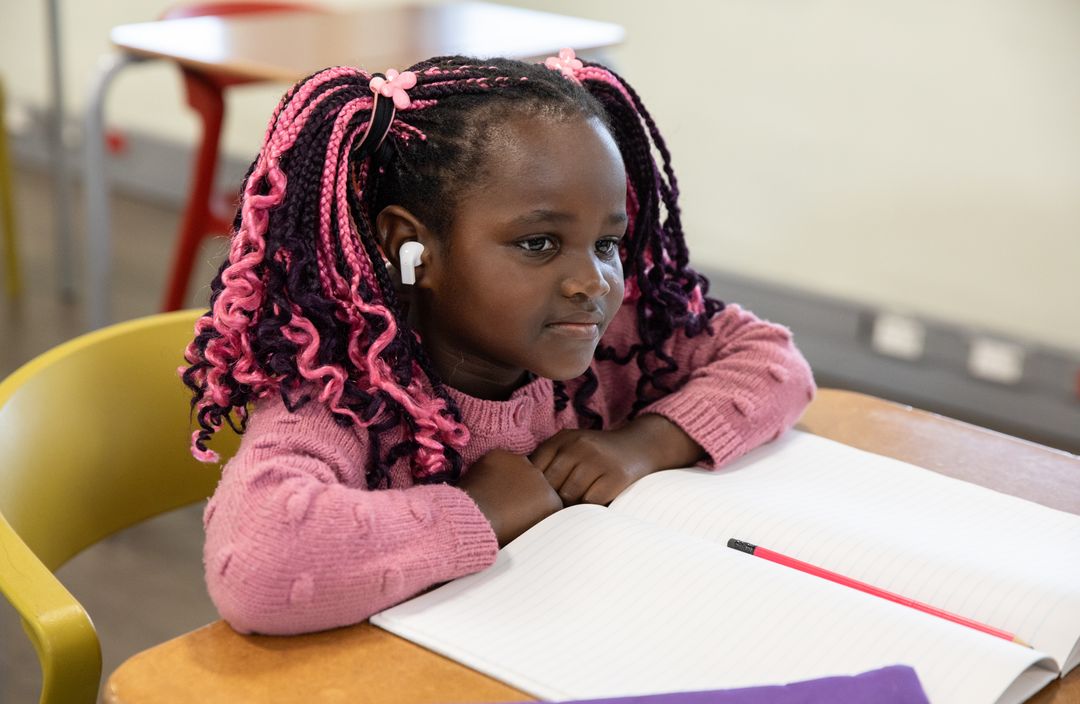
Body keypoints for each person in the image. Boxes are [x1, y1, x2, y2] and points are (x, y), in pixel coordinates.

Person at [181, 51, 816, 635]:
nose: (591, 283)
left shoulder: (617, 340)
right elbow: (261, 567)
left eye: (606, 244)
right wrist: (480, 510)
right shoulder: (345, 393)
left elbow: (773, 359)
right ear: (413, 246)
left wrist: (644, 444)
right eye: (538, 244)